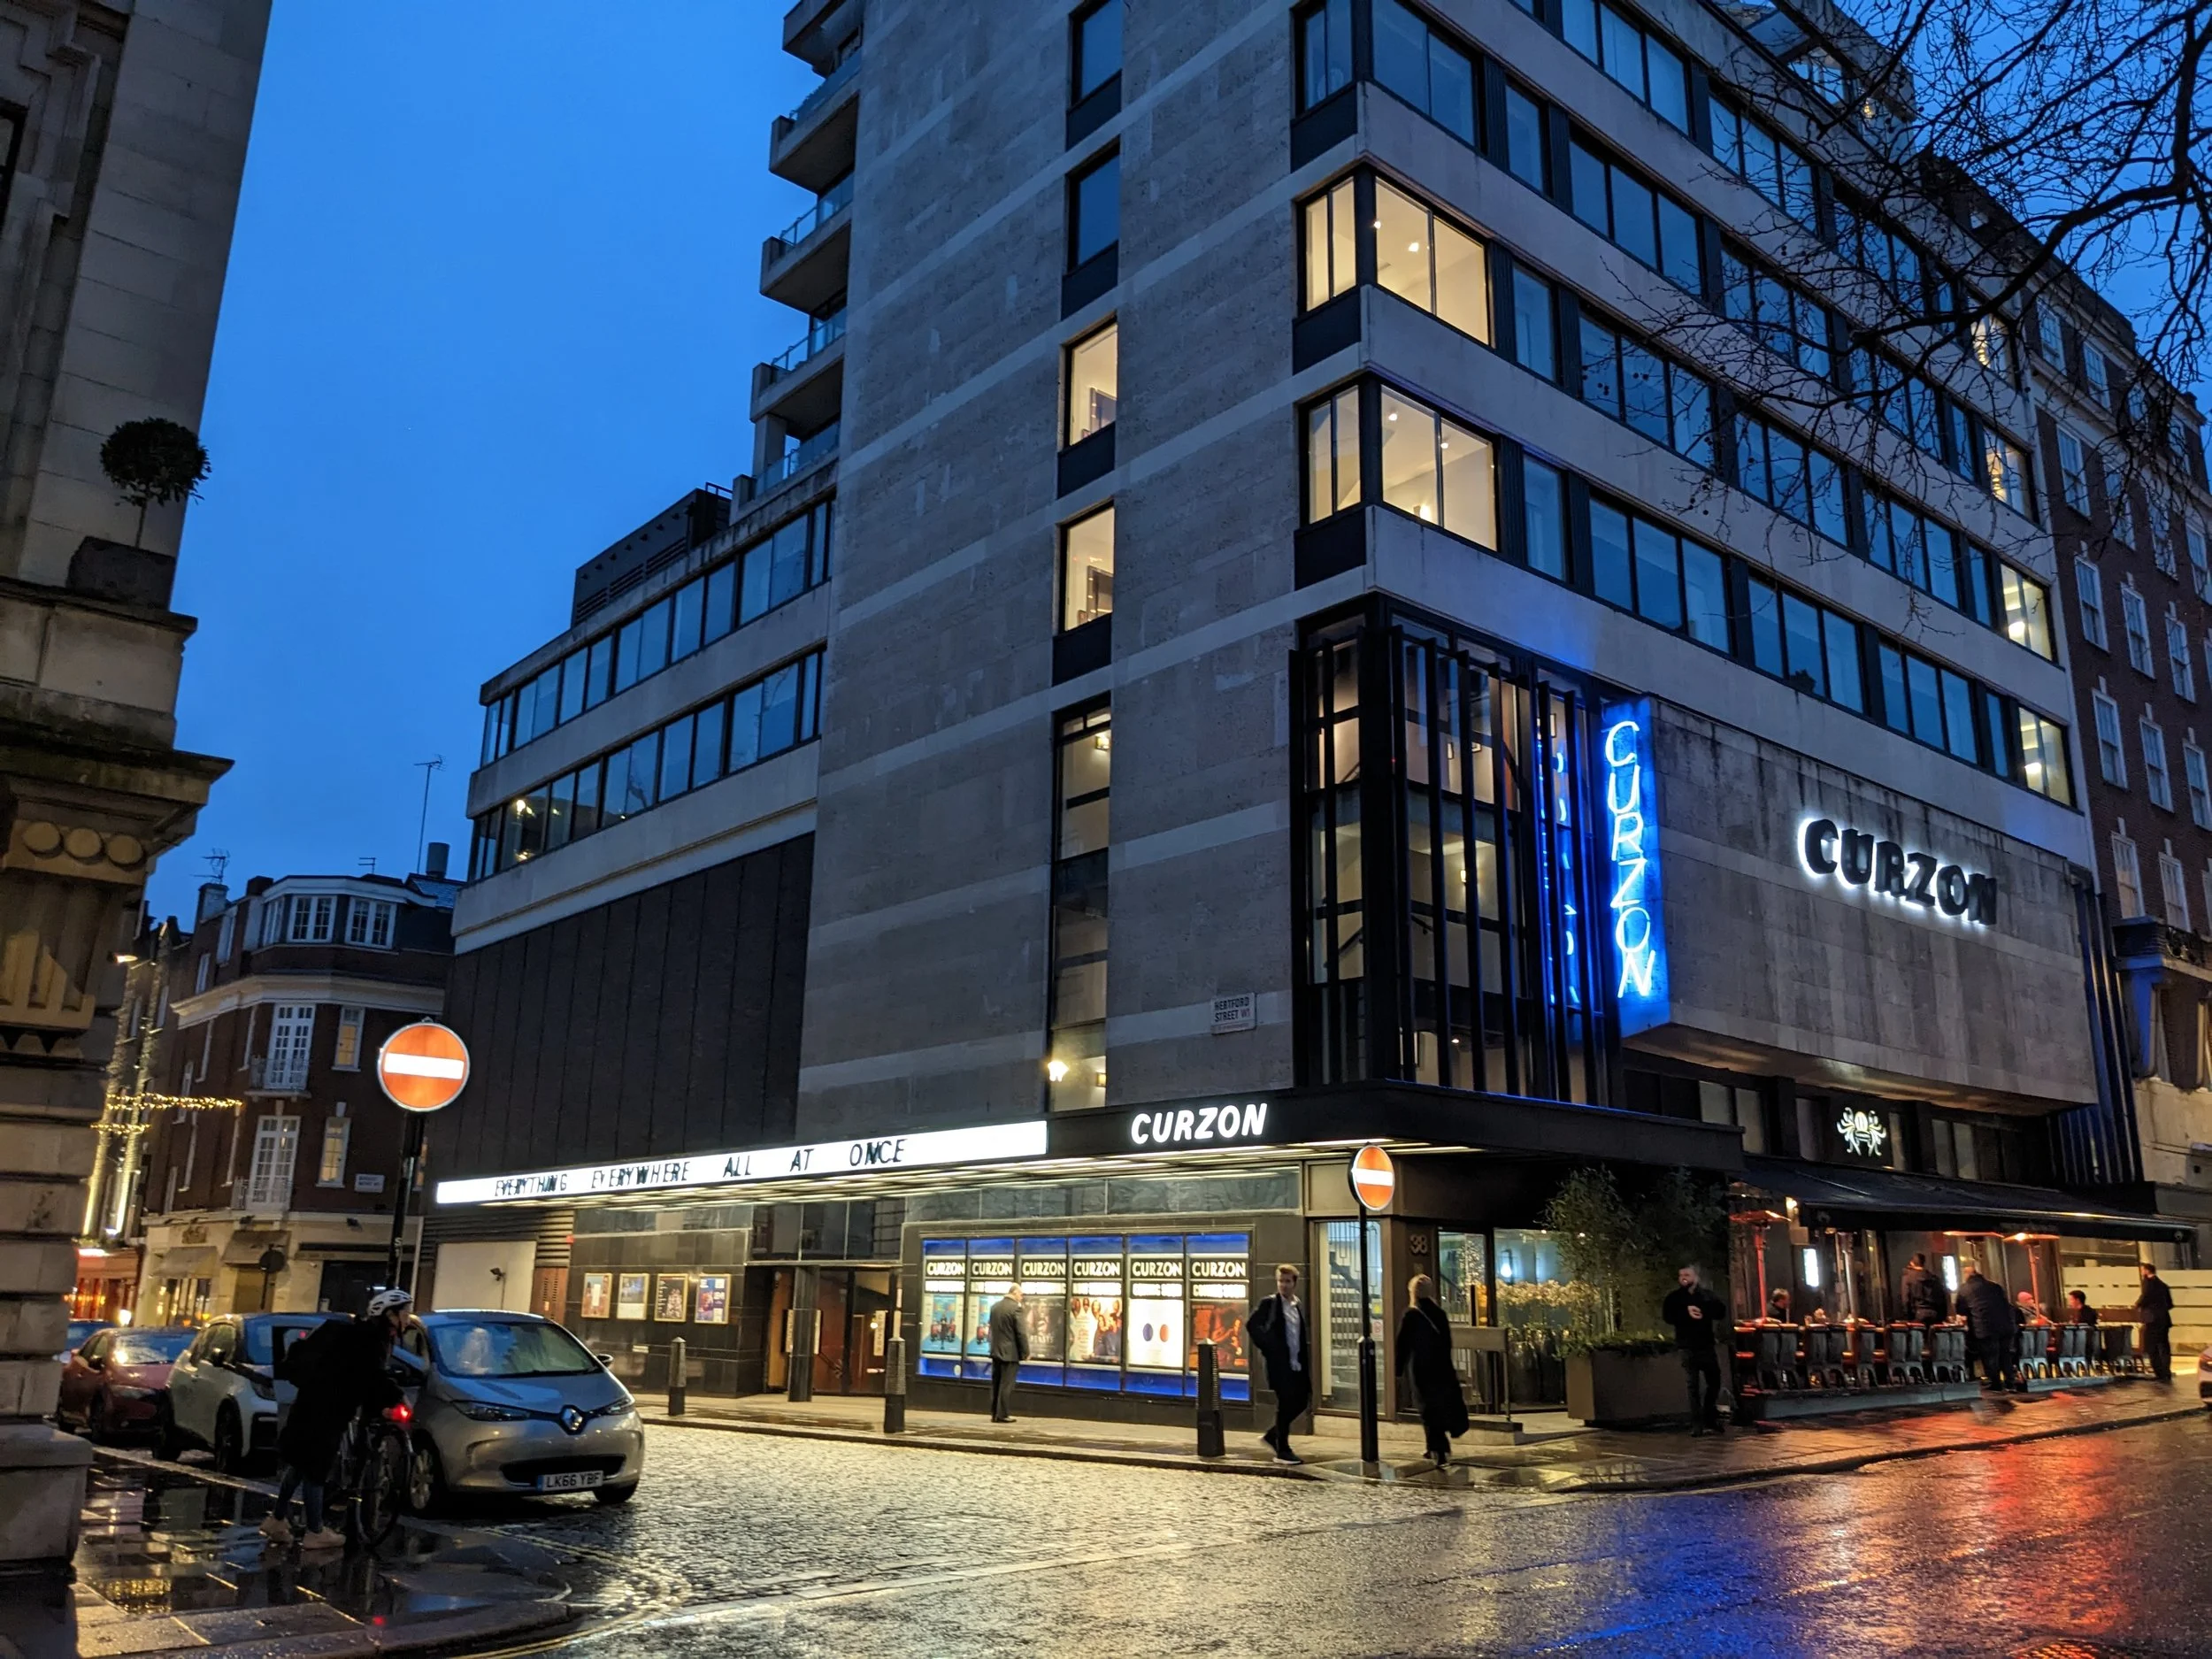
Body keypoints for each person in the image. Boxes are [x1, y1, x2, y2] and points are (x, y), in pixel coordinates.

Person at [259, 1289, 410, 1550]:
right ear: (390, 1315)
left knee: (300, 1464)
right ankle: (315, 1531)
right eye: (405, 1312)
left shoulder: (359, 1334)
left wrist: (381, 1403)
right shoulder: (371, 1340)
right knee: (316, 1469)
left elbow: (361, 1379)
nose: (408, 1318)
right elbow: (372, 1378)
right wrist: (397, 1398)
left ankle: (277, 1519)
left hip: (311, 1403)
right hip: (327, 1410)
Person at [1395, 1275, 1468, 1467]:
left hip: (1420, 1369)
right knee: (1438, 1405)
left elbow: (1402, 1345)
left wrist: (1398, 1370)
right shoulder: (1439, 1314)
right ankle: (1433, 1446)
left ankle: (1439, 1449)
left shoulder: (1411, 1315)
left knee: (1426, 1409)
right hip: (1441, 1367)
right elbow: (1447, 1342)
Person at [1248, 1264, 1313, 1465]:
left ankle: (1272, 1436)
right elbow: (1252, 1325)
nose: (1283, 1285)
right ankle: (1282, 1450)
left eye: (1287, 1281)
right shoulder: (1269, 1303)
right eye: (1280, 1281)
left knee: (1302, 1401)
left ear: (1294, 1283)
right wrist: (1269, 1347)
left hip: (1297, 1364)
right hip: (1279, 1365)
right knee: (1285, 1403)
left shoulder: (1297, 1305)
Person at [1660, 1265, 1731, 1435]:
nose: (1683, 1278)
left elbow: (1721, 1312)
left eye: (1687, 1274)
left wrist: (1703, 1310)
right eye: (1681, 1275)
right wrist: (1686, 1312)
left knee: (1714, 1381)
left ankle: (1709, 1416)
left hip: (1706, 1344)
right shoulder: (1675, 1298)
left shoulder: (1706, 1295)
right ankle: (1697, 1423)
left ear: (1696, 1277)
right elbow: (1668, 1316)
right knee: (1693, 1385)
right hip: (1687, 1345)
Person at [1955, 1269, 2019, 1392]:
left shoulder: (1964, 1289)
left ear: (1966, 1276)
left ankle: (1996, 1383)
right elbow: (2006, 1304)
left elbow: (1961, 1311)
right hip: (2006, 1325)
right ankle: (2010, 1382)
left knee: (1990, 1356)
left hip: (1985, 1326)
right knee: (2005, 1355)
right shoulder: (1995, 1286)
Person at [987, 1285, 1028, 1422]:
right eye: (1021, 1294)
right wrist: (1025, 1352)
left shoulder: (995, 1307)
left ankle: (994, 1414)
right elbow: (1021, 1333)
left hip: (995, 1351)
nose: (1022, 1297)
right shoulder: (1016, 1308)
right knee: (1006, 1385)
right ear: (1015, 1293)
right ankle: (1002, 1415)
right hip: (1010, 1353)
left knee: (996, 1384)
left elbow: (992, 1329)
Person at [2136, 1263, 2176, 1382]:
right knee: (2164, 1346)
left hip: (2152, 1320)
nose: (2141, 1272)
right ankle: (2166, 1371)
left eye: (2142, 1270)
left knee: (2151, 1346)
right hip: (2164, 1319)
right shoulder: (2163, 1285)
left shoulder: (2148, 1283)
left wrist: (2138, 1305)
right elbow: (2170, 1304)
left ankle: (2159, 1372)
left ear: (2147, 1271)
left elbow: (2145, 1298)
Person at [1900, 1253, 1949, 1325]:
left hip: (1917, 1315)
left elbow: (1906, 1300)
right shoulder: (1935, 1278)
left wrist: (1909, 1317)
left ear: (1912, 1263)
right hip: (1935, 1315)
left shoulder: (1908, 1278)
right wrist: (1942, 1317)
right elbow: (1942, 1299)